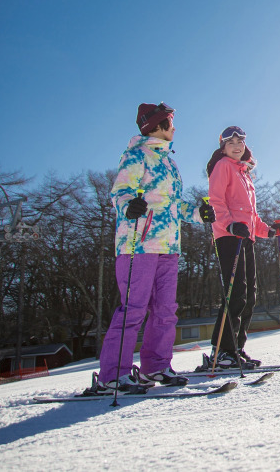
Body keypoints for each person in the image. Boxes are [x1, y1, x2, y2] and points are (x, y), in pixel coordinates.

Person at [84, 102, 216, 395]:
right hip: (138, 244)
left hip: (169, 245)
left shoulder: (169, 162)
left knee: (166, 309)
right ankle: (112, 375)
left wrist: (199, 213)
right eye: (171, 123)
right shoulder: (136, 155)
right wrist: (128, 206)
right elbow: (120, 192)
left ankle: (155, 366)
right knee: (133, 308)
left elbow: (175, 205)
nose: (174, 128)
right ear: (158, 126)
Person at [206, 125, 280, 369]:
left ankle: (236, 349)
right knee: (236, 293)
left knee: (250, 295)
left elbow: (250, 215)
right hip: (228, 237)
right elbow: (216, 202)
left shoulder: (244, 173)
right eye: (231, 143)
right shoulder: (223, 166)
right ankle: (222, 352)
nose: (236, 147)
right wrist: (230, 226)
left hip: (245, 237)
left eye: (240, 143)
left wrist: (268, 231)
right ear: (223, 148)